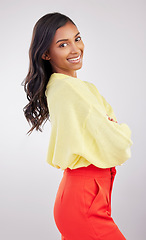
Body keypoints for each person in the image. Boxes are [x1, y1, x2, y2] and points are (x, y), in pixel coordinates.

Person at [23, 12, 133, 240]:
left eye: (77, 38)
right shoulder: (69, 90)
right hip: (84, 199)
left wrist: (109, 127)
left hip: (84, 194)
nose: (75, 49)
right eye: (63, 44)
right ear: (45, 53)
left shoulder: (73, 87)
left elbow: (106, 132)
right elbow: (119, 144)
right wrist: (119, 129)